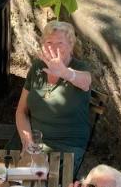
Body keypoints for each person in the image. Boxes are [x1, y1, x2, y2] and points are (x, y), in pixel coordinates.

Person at [15, 20, 93, 172]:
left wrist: (64, 72)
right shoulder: (37, 67)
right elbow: (21, 111)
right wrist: (28, 140)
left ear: (70, 46)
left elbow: (85, 82)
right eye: (49, 42)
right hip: (35, 141)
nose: (54, 47)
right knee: (9, 181)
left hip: (67, 146)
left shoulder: (80, 68)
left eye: (60, 43)